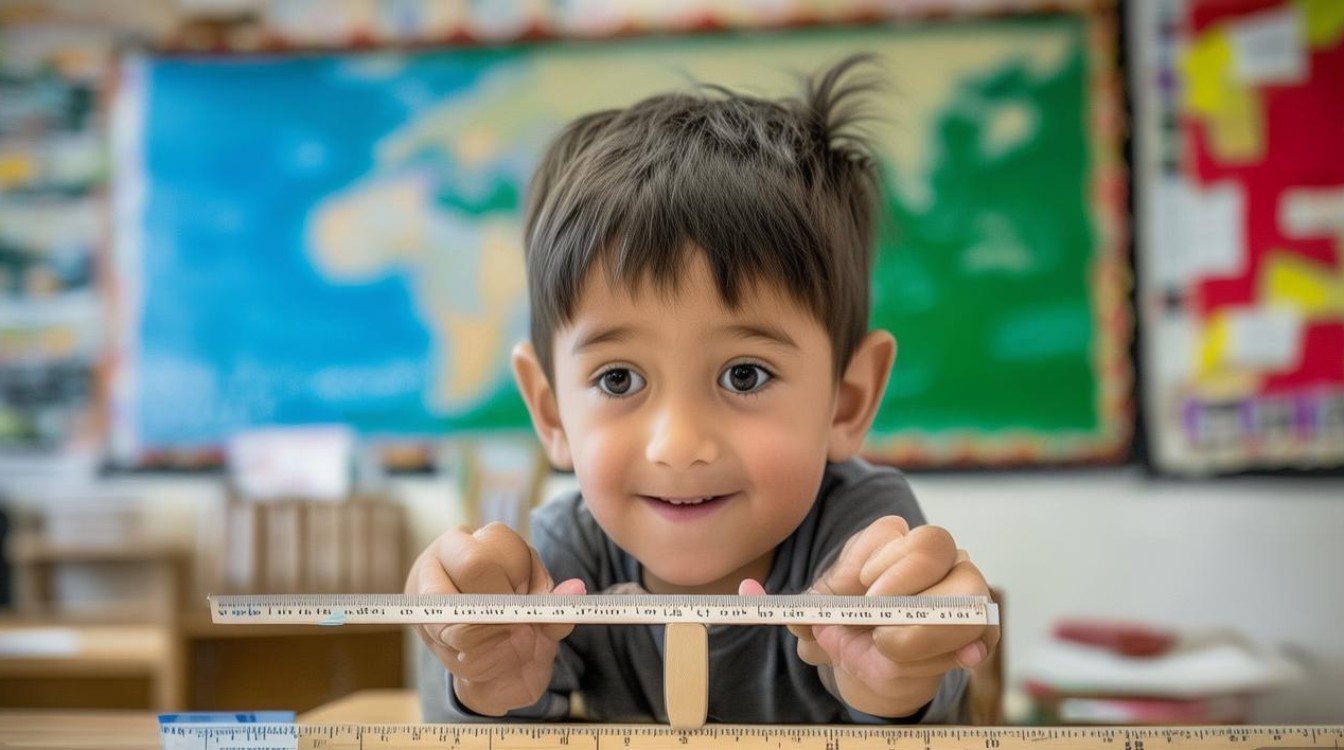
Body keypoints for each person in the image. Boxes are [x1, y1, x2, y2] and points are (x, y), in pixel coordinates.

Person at [407, 55, 998, 724]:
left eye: (744, 374)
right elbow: (475, 718)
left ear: (848, 399)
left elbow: (921, 691)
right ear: (551, 412)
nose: (679, 444)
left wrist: (893, 674)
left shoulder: (863, 530)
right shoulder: (561, 556)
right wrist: (485, 679)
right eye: (618, 378)